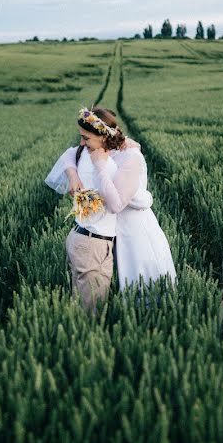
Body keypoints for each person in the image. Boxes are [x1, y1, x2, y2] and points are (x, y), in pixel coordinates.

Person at [45, 107, 176, 307]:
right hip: (101, 237)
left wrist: (101, 166)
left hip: (132, 237)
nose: (81, 143)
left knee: (140, 295)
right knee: (94, 299)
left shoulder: (122, 156)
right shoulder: (93, 152)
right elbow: (69, 154)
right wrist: (73, 175)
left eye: (85, 138)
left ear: (104, 136)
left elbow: (118, 203)